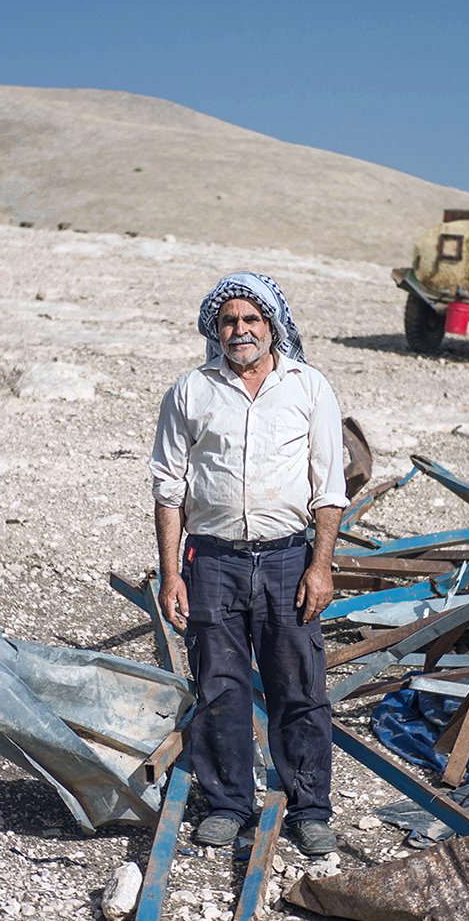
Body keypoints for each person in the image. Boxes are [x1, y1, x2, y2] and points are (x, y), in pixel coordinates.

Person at [149, 272, 348, 856]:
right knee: (219, 687)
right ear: (217, 329)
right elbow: (169, 490)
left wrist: (322, 565)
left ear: (273, 326)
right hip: (212, 561)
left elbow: (328, 487)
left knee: (301, 688)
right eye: (230, 321)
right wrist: (171, 573)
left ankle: (310, 809)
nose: (241, 331)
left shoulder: (308, 388)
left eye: (251, 320)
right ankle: (228, 804)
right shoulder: (191, 391)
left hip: (289, 558)